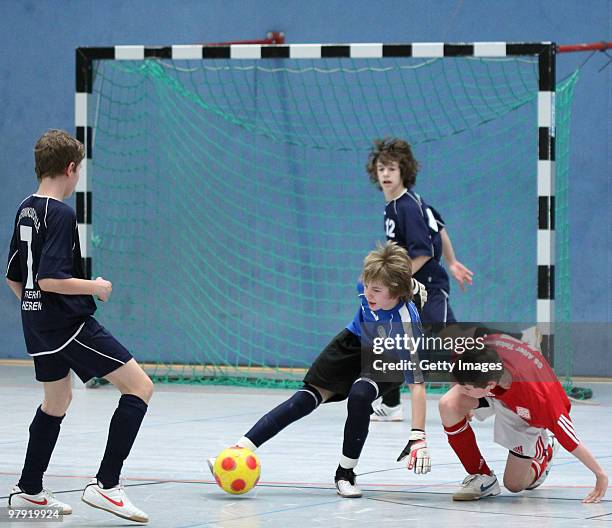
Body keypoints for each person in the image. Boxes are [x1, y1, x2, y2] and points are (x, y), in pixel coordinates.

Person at [5, 129, 153, 523]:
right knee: (140, 387)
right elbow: (52, 278)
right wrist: (96, 287)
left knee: (56, 401)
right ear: (71, 169)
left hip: (36, 324)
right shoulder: (61, 212)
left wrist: (34, 311)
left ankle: (29, 490)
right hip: (67, 324)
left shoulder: (25, 208)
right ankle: (106, 486)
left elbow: (14, 277)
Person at [208, 241, 430, 497]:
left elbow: (417, 386)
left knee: (359, 396)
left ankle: (345, 473)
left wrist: (418, 436)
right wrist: (410, 284)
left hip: (387, 355)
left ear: (396, 292)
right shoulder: (367, 287)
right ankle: (237, 450)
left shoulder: (405, 325)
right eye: (367, 287)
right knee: (304, 399)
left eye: (376, 290)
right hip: (354, 341)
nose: (368, 294)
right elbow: (378, 278)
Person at [366, 138, 473, 421]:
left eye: (391, 168)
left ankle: (480, 391)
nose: (386, 174)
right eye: (381, 169)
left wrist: (394, 281)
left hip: (429, 288)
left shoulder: (406, 206)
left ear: (404, 171)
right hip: (410, 287)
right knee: (388, 338)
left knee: (451, 338)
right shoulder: (401, 205)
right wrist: (452, 261)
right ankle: (390, 404)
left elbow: (423, 252)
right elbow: (439, 228)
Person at [438, 326, 608, 503]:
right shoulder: (481, 353)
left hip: (524, 409)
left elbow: (571, 439)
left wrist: (600, 474)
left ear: (489, 384)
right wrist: (463, 397)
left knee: (515, 484)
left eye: (466, 387)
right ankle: (483, 476)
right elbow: (461, 354)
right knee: (448, 405)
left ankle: (545, 449)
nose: (462, 390)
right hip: (495, 390)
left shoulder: (541, 399)